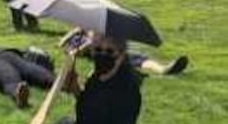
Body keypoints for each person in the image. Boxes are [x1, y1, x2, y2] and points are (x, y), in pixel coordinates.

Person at [31, 34, 142, 124]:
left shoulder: (126, 88)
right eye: (98, 50)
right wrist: (75, 87)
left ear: (121, 55)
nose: (102, 54)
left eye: (109, 51)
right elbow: (88, 104)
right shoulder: (97, 75)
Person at [60, 28, 189, 75]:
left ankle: (164, 69)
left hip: (113, 48)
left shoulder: (93, 29)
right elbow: (68, 48)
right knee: (134, 61)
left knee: (141, 59)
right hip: (105, 55)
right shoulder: (75, 41)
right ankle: (162, 70)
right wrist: (88, 41)